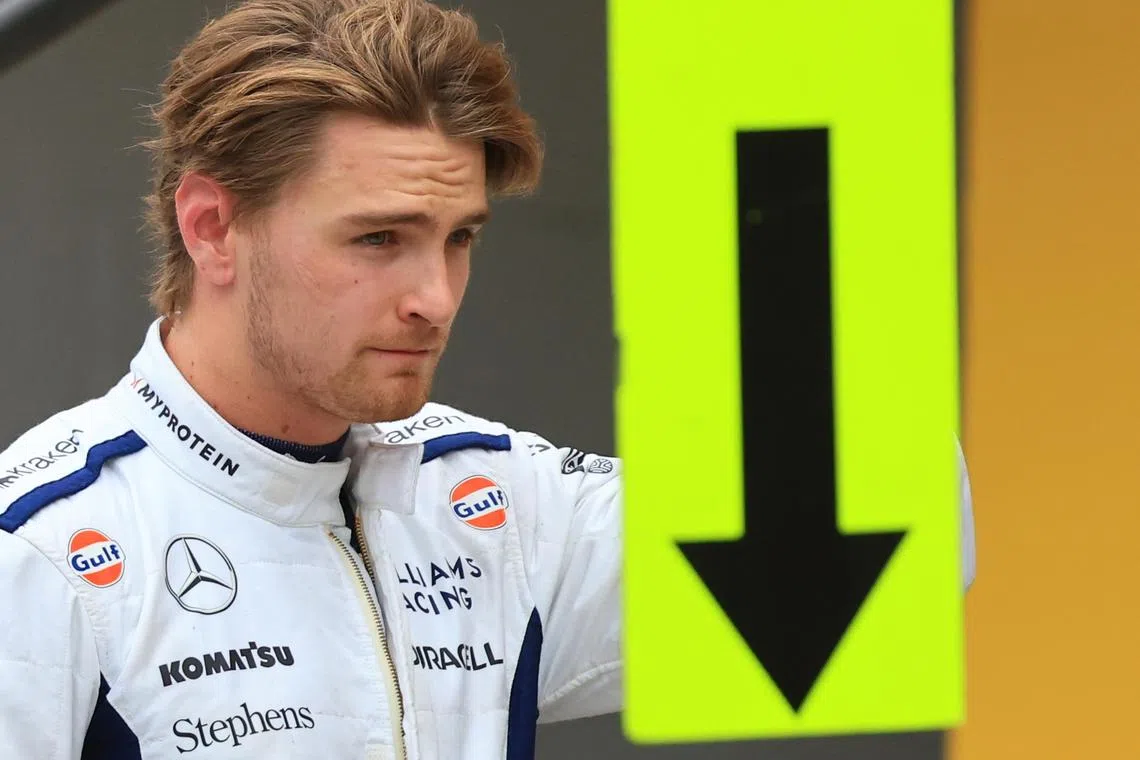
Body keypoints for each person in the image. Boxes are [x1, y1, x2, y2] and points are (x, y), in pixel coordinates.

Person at [0, 0, 976, 757]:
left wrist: (799, 184)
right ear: (212, 227)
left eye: (458, 238)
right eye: (378, 238)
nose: (435, 295)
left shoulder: (494, 503)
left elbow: (886, 563)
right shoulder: (41, 549)